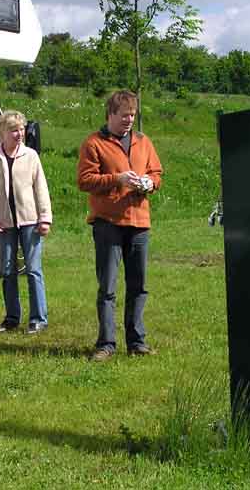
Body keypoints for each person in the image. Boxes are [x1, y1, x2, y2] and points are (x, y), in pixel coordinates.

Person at [77, 90, 162, 362]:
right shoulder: (94, 143)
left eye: (133, 115)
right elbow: (85, 180)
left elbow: (156, 172)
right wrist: (118, 179)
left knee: (139, 285)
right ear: (110, 114)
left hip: (139, 223)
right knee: (108, 287)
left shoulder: (143, 141)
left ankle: (137, 341)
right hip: (108, 224)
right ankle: (106, 344)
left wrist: (149, 183)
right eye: (124, 115)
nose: (129, 120)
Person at [0, 110, 52, 334]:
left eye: (21, 129)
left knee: (33, 270)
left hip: (30, 221)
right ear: (2, 132)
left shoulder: (31, 156)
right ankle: (12, 318)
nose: (19, 134)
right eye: (14, 130)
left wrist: (45, 218)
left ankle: (38, 319)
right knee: (8, 270)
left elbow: (41, 188)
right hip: (4, 224)